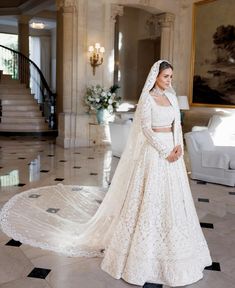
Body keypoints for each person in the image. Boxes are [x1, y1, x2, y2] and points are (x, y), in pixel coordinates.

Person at [0, 60, 212, 288]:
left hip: (173, 153)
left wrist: (178, 147)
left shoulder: (171, 98)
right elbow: (146, 130)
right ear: (155, 77)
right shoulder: (147, 99)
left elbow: (177, 126)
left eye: (171, 76)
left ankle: (176, 250)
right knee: (148, 200)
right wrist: (164, 151)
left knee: (173, 201)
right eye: (166, 77)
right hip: (155, 154)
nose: (169, 80)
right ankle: (140, 253)